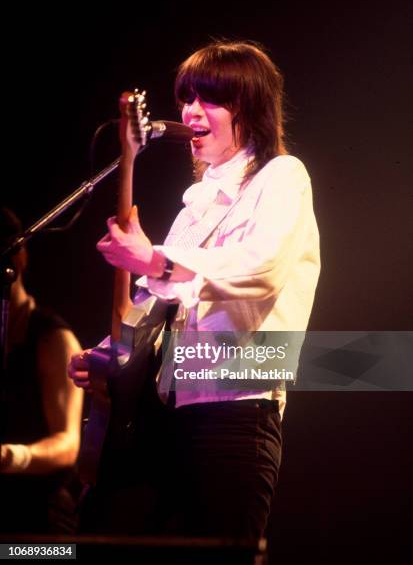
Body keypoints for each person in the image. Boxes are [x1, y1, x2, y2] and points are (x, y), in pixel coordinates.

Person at [69, 40, 320, 540]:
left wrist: (157, 258)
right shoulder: (194, 211)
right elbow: (153, 306)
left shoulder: (282, 177)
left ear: (249, 109)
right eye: (187, 99)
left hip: (237, 409)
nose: (191, 112)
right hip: (168, 418)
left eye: (210, 100)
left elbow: (260, 268)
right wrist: (106, 356)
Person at [0, 208, 84, 534]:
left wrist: (11, 456)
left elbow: (67, 444)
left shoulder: (52, 337)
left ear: (19, 258)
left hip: (40, 518)